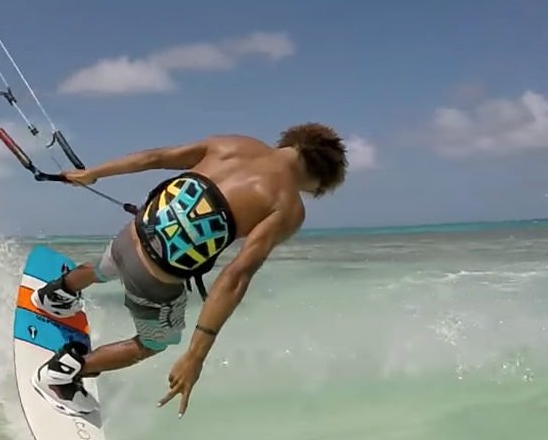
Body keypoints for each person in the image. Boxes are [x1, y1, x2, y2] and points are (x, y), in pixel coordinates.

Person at [28, 123, 349, 418]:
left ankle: (58, 292)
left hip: (131, 235)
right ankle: (64, 373)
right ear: (318, 180)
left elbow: (156, 157)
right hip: (154, 278)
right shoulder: (287, 206)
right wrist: (196, 355)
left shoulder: (234, 144)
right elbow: (236, 276)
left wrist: (94, 173)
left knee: (106, 267)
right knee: (155, 342)